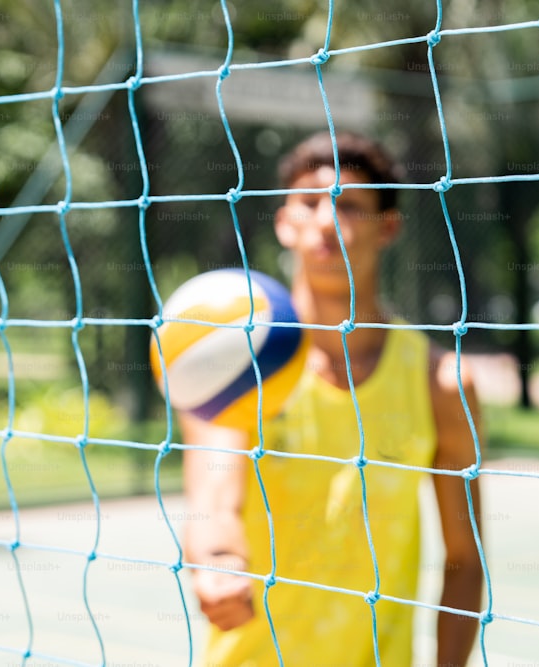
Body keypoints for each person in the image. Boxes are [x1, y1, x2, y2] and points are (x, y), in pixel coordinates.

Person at [180, 131, 484, 666]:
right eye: (309, 202)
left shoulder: (440, 383)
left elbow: (464, 558)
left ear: (388, 226)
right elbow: (213, 495)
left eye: (349, 205)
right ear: (283, 222)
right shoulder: (234, 361)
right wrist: (218, 560)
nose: (326, 220)